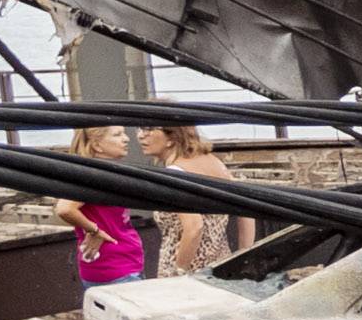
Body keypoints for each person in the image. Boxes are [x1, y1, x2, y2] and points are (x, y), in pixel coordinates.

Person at [139, 122, 255, 275]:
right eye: (139, 129)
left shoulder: (175, 173)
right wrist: (242, 258)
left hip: (187, 275)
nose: (140, 135)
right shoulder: (213, 162)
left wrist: (179, 272)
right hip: (220, 268)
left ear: (172, 137)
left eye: (149, 128)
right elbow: (247, 211)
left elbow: (194, 227)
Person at [55, 127, 145, 290]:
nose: (126, 139)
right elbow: (65, 208)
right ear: (97, 145)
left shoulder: (99, 173)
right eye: (117, 135)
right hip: (117, 268)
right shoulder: (93, 175)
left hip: (105, 265)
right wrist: (94, 231)